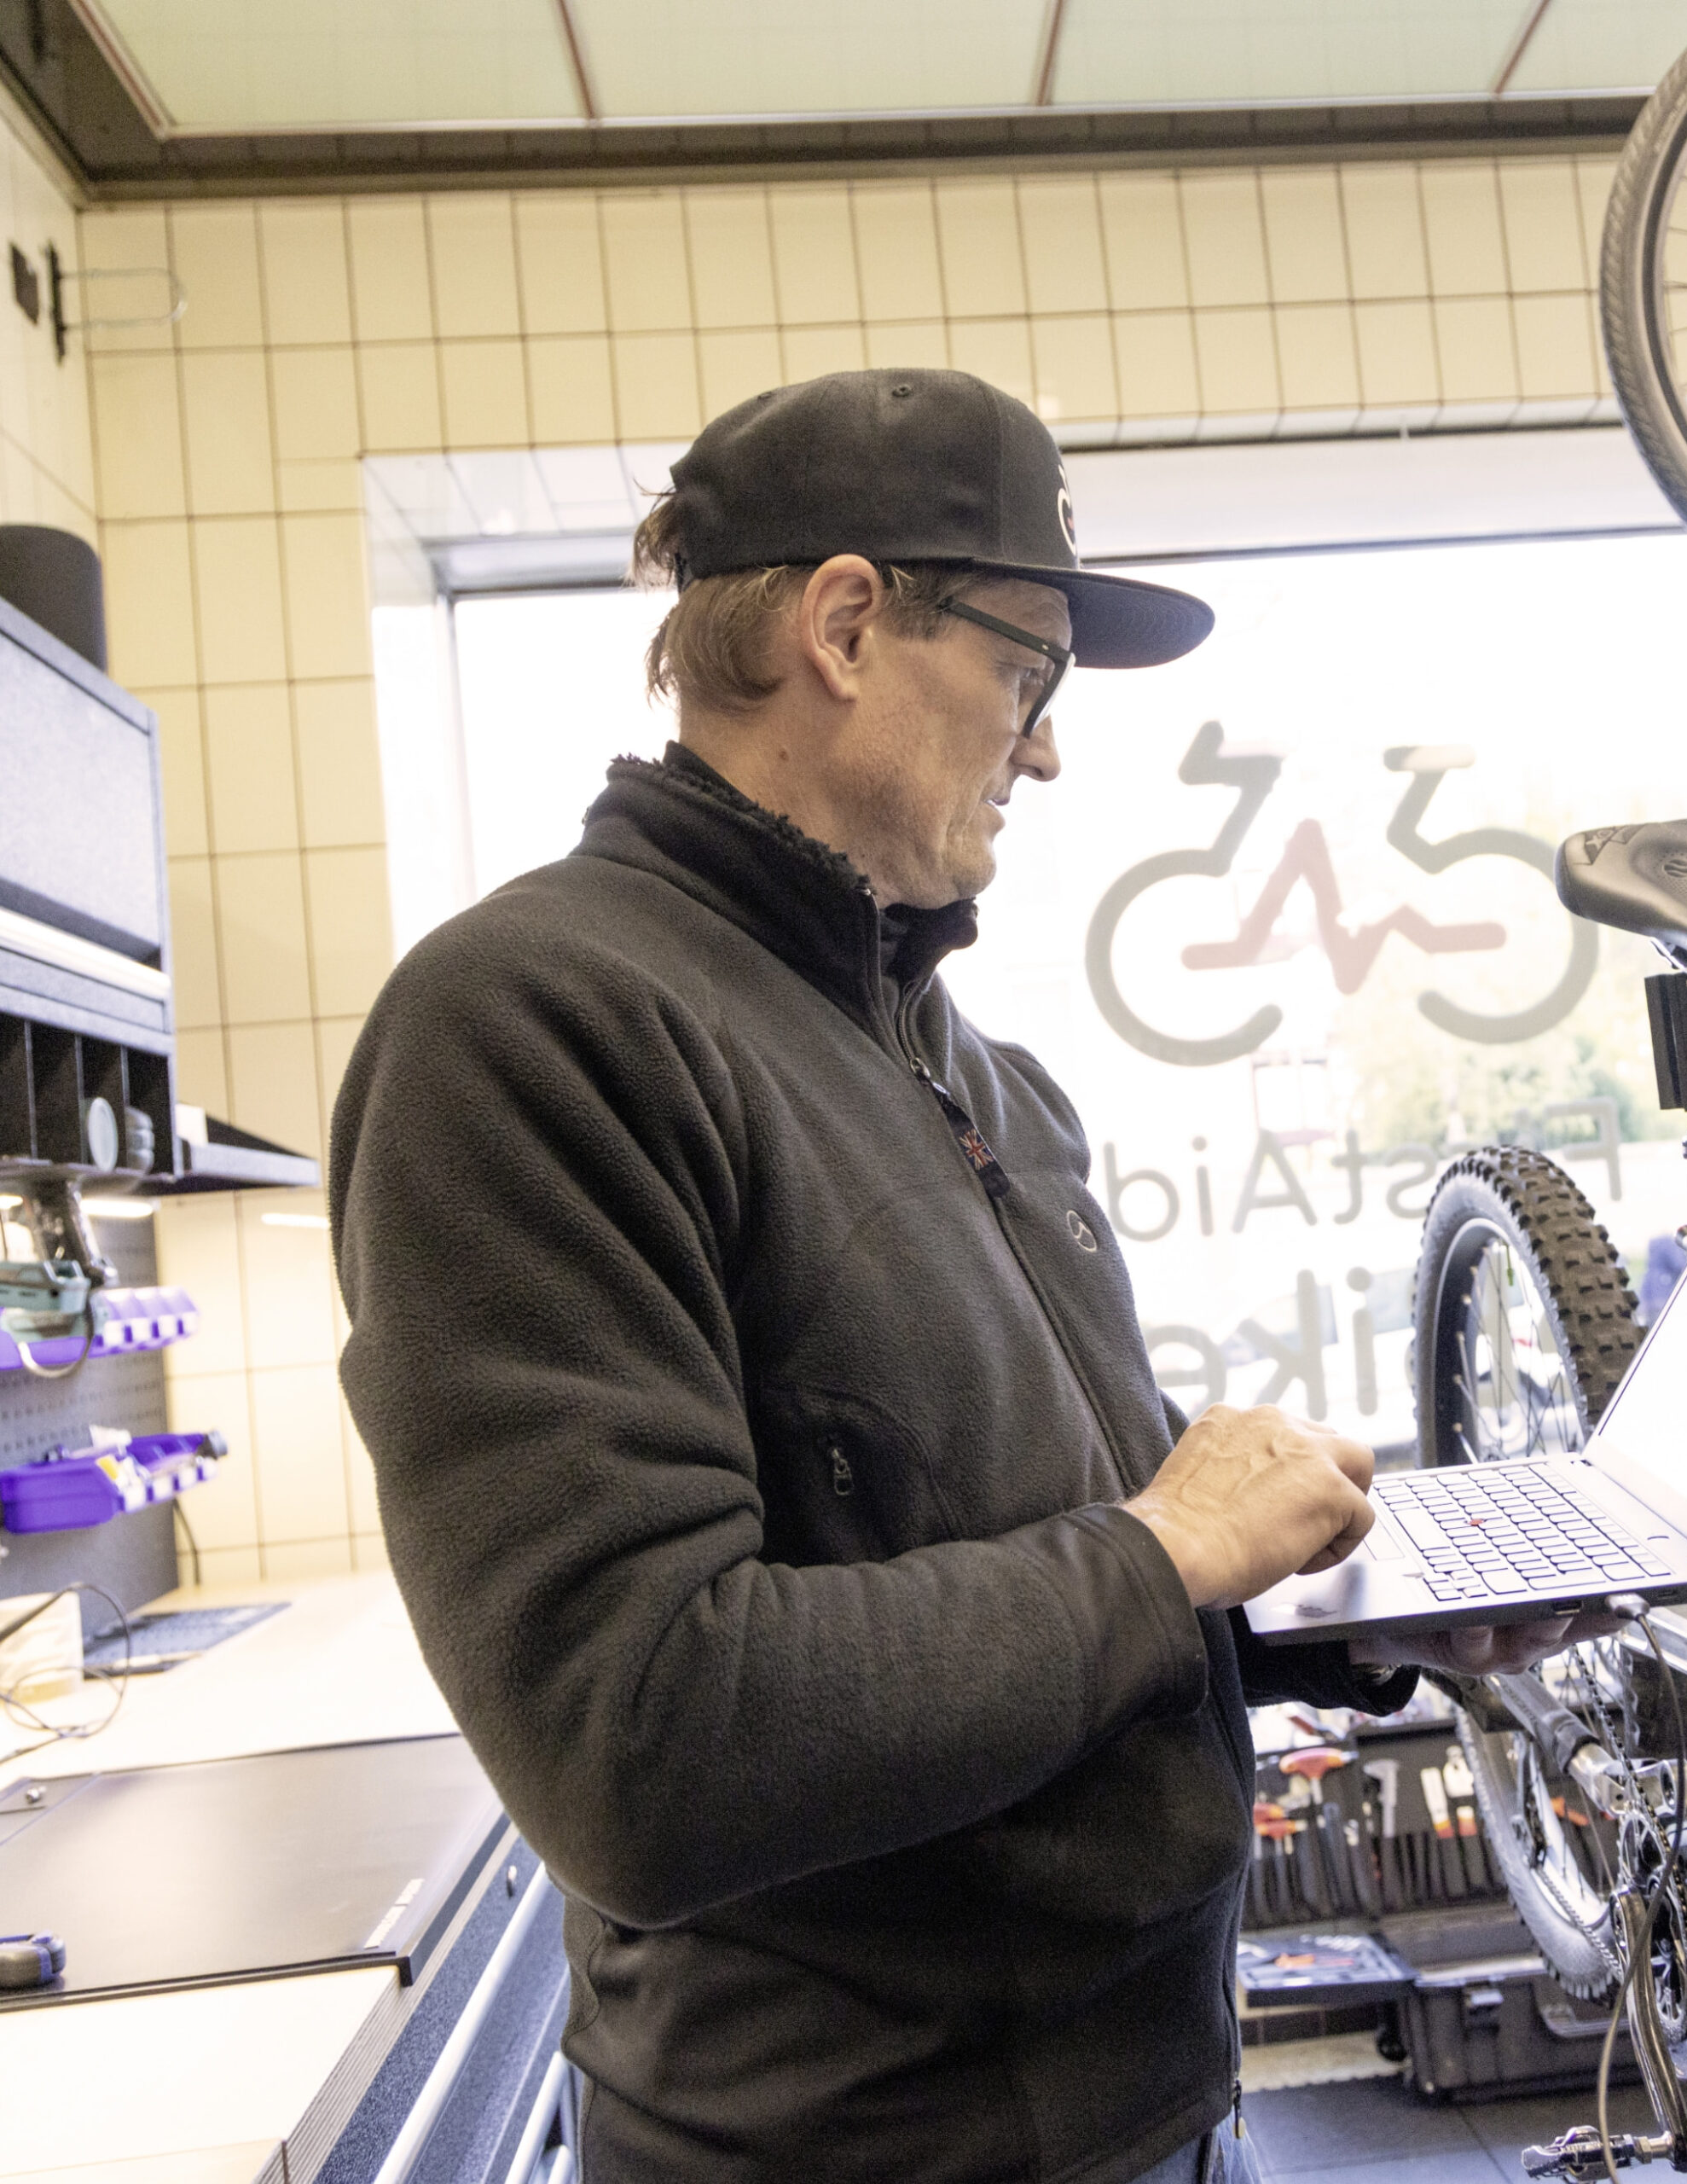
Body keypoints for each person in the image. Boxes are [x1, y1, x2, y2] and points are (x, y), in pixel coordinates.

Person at [329, 368, 1619, 2184]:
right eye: (1028, 673)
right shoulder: (533, 1024)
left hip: (1159, 2110)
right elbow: (640, 1742)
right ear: (847, 625)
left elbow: (1041, 1579)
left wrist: (1334, 1616)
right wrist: (1169, 1549)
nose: (1047, 748)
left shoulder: (977, 1075)